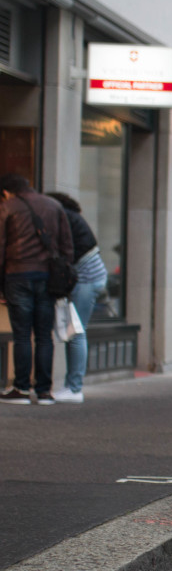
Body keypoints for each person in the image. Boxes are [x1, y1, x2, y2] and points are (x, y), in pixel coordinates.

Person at [0, 173, 74, 405]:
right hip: (47, 277)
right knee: (44, 336)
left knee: (22, 335)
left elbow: (1, 246)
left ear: (7, 192)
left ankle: (21, 389)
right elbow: (67, 246)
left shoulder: (7, 207)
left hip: (18, 274)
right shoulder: (54, 205)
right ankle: (44, 391)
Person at [47, 192, 110, 403]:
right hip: (89, 277)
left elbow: (67, 251)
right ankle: (72, 386)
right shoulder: (71, 216)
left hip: (86, 279)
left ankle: (74, 388)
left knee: (76, 332)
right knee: (75, 331)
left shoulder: (62, 216)